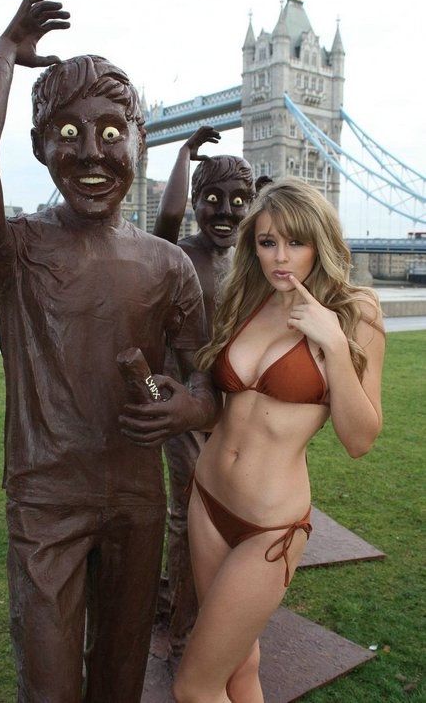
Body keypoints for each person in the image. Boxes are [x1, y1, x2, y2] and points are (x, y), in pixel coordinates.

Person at [0, 0, 220, 703]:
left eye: (111, 132)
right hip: (46, 501)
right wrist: (5, 52)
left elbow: (207, 381)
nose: (92, 153)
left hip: (137, 497)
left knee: (119, 678)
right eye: (68, 133)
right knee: (48, 685)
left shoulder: (168, 266)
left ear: (138, 141)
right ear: (40, 146)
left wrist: (189, 411)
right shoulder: (16, 252)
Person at [172, 177, 386, 703]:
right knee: (239, 666)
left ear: (320, 242)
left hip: (270, 528)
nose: (280, 257)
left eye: (295, 241)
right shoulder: (247, 296)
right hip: (207, 500)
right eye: (267, 242)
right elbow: (225, 408)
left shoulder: (356, 313)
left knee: (194, 688)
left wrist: (333, 343)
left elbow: (359, 439)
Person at [152, 127, 256, 668]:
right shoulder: (178, 256)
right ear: (195, 202)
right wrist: (183, 156)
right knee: (186, 513)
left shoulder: (248, 261)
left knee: (229, 509)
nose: (225, 212)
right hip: (183, 401)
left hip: (233, 405)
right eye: (212, 199)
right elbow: (166, 220)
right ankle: (184, 630)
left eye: (239, 201)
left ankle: (209, 604)